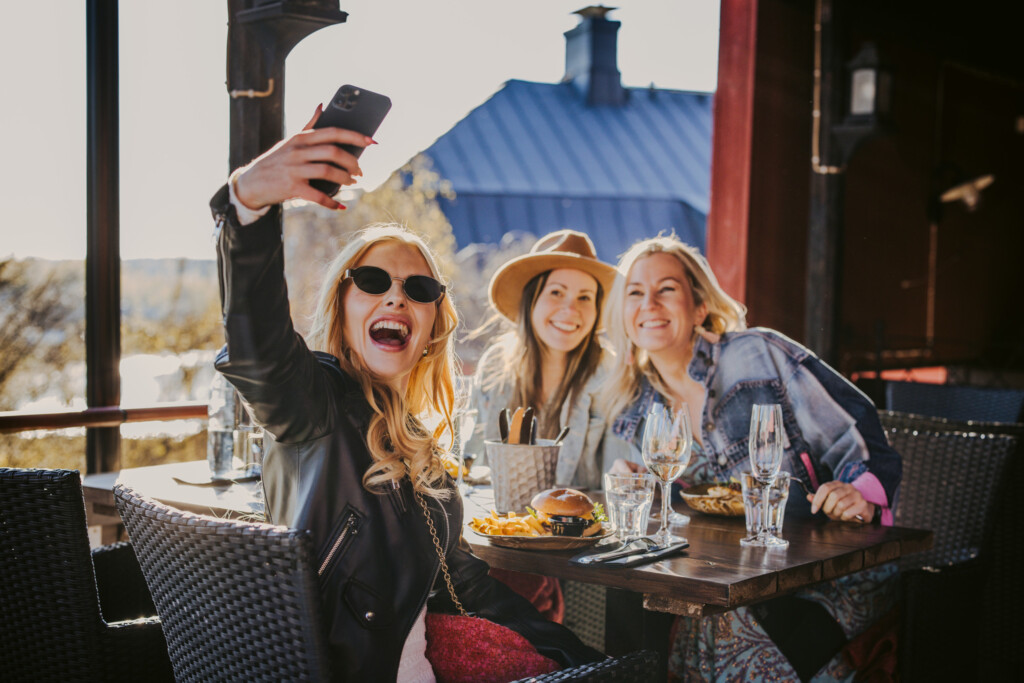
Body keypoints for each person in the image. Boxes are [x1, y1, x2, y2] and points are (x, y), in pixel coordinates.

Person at [210, 107, 602, 681]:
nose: (395, 298)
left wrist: (580, 659)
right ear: (342, 308)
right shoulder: (313, 405)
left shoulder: (418, 442)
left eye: (417, 289)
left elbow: (460, 581)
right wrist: (247, 203)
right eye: (372, 282)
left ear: (432, 328)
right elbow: (257, 343)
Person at [598, 235, 902, 682]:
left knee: (719, 628)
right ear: (623, 314)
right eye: (635, 293)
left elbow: (857, 428)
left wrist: (860, 492)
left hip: (828, 573)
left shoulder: (755, 353)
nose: (650, 304)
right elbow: (690, 501)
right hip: (734, 579)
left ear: (699, 306)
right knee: (644, 614)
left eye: (666, 289)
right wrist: (647, 481)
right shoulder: (636, 402)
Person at [465, 229, 616, 491]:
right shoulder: (495, 365)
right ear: (531, 301)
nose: (570, 310)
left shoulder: (610, 373)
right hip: (497, 521)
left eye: (585, 297)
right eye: (556, 292)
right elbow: (470, 462)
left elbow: (618, 478)